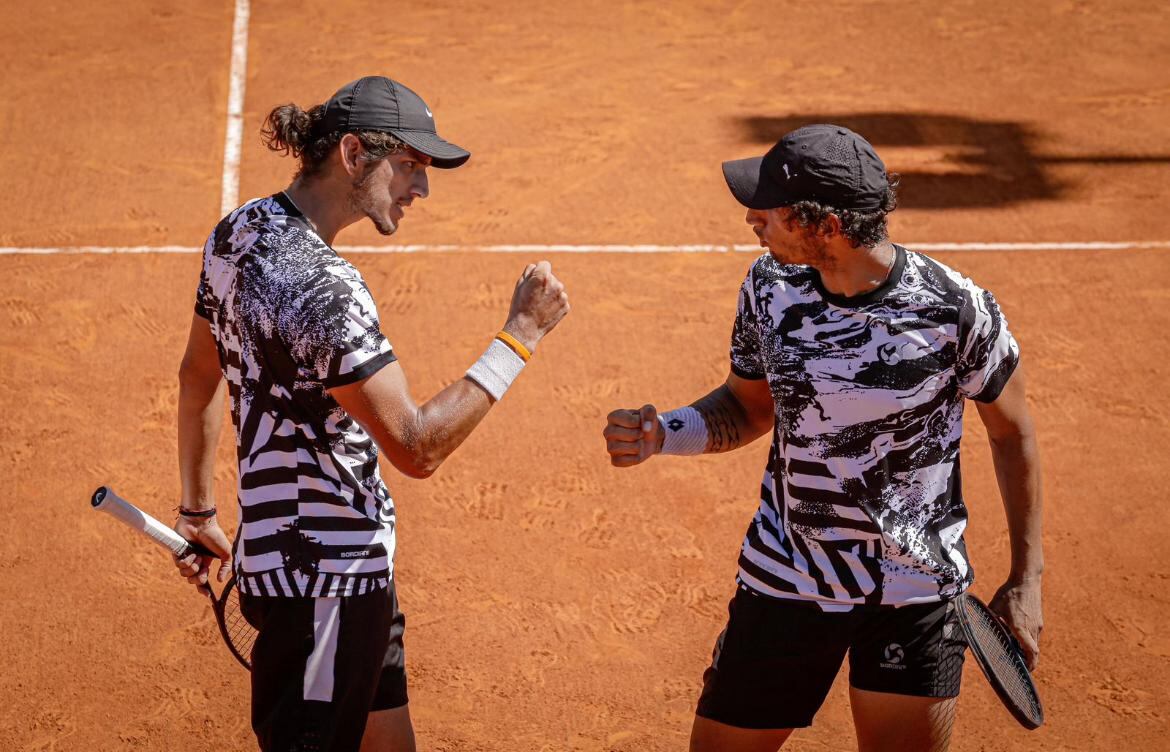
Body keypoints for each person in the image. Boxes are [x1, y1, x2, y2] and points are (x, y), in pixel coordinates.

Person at [603, 124, 1043, 751]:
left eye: (769, 210)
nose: (752, 217)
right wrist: (663, 433)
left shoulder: (956, 310)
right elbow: (748, 406)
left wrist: (1027, 579)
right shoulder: (770, 288)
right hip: (788, 576)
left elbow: (1013, 433)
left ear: (825, 225)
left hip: (914, 589)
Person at [172, 75, 570, 752]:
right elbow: (417, 447)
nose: (422, 188)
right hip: (326, 587)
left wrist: (198, 510)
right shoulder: (326, 291)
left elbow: (198, 373)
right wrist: (520, 337)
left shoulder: (236, 234)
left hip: (333, 568)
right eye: (411, 166)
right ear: (354, 154)